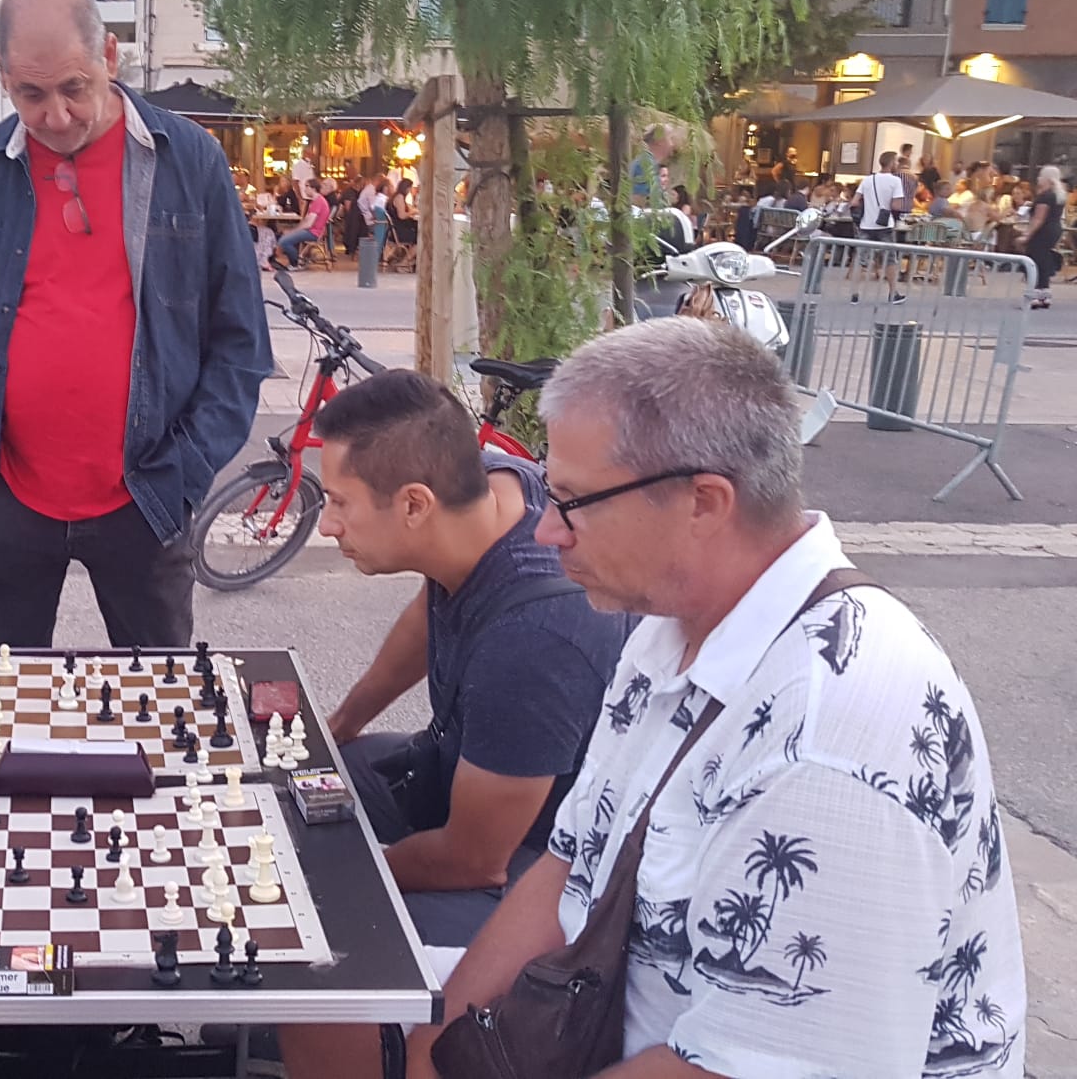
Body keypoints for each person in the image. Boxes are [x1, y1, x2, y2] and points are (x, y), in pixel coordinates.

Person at [298, 316, 1028, 1079]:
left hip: (663, 1045)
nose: (545, 532)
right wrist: (435, 1052)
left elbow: (747, 1068)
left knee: (330, 973)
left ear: (703, 503)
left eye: (573, 501)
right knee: (320, 994)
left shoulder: (831, 738)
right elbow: (568, 867)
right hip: (599, 1005)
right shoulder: (668, 625)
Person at [0, 0, 271, 649]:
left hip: (147, 495)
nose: (55, 115)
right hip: (6, 494)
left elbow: (240, 342)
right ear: (4, 79)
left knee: (159, 695)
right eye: (31, 94)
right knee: (0, 695)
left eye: (74, 87)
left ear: (109, 56)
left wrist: (184, 473)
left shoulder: (189, 161)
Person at [305, 370, 628, 949]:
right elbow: (427, 610)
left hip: (547, 862)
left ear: (414, 504)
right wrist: (344, 723)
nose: (327, 524)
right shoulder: (496, 482)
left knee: (344, 921)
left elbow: (475, 860)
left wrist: (338, 876)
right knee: (308, 782)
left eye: (340, 502)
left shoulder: (533, 643)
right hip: (472, 772)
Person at [852, 150, 908, 304]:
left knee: (861, 259)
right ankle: (893, 293)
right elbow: (896, 206)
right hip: (884, 225)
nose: (897, 164)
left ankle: (854, 294)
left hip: (866, 224)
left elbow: (854, 202)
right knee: (890, 260)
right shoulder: (895, 181)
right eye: (896, 162)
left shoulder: (868, 180)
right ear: (892, 163)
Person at [1017, 164, 1066, 307]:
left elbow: (1038, 218)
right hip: (1054, 229)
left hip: (1042, 231)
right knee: (1044, 259)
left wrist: (1026, 235)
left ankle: (1034, 293)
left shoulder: (1044, 197)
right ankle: (1044, 293)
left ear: (1047, 179)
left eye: (1040, 176)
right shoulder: (1058, 195)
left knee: (1035, 259)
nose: (1038, 179)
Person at [276, 179, 327, 269]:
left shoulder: (318, 202)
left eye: (307, 186)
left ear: (314, 188)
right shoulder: (316, 201)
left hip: (313, 232)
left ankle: (295, 263)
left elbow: (308, 223)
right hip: (311, 230)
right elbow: (306, 220)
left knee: (283, 241)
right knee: (282, 236)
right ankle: (296, 261)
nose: (304, 189)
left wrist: (292, 231)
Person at [629, 126, 674, 206]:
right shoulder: (644, 165)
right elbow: (637, 201)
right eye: (670, 139)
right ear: (659, 140)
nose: (672, 144)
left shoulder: (649, 163)